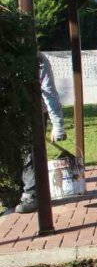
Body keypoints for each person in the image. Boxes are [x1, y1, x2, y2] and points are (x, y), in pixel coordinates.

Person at [16, 52, 66, 214]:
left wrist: (57, 125)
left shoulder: (37, 58)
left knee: (29, 153)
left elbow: (48, 91)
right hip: (10, 114)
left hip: (33, 114)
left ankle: (31, 193)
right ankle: (18, 190)